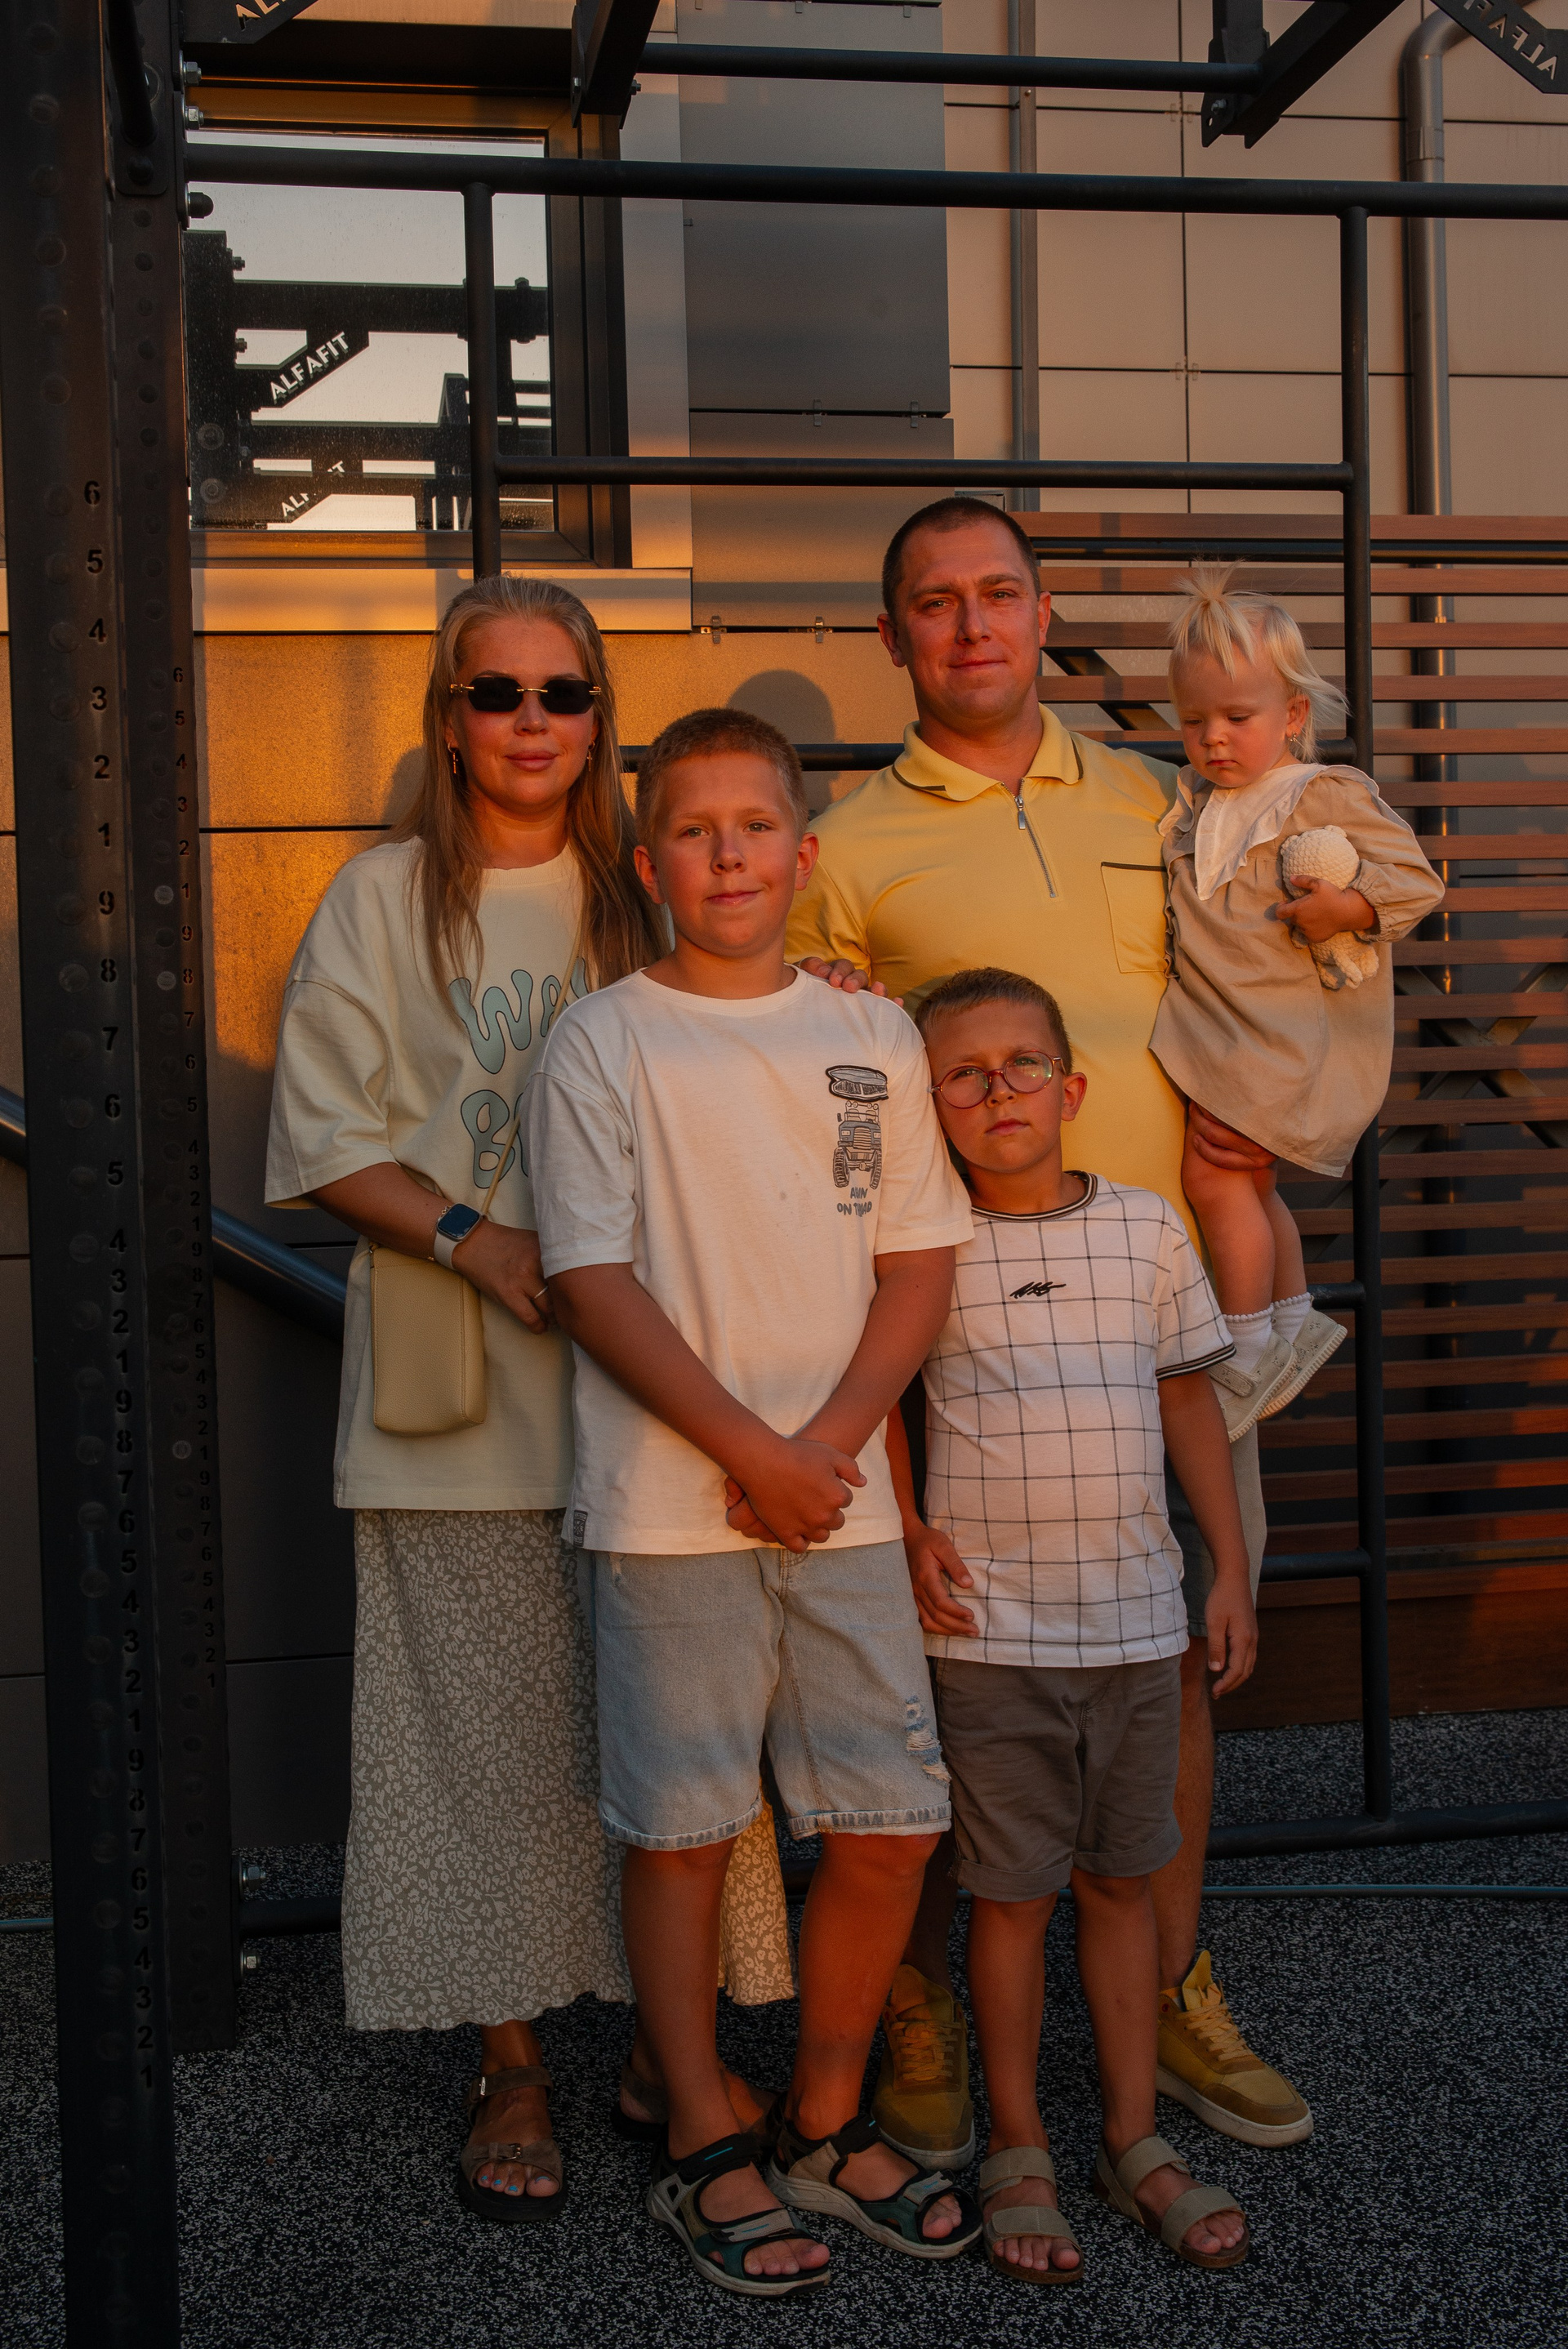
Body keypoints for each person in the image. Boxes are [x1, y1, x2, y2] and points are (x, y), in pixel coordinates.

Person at [786, 495, 1312, 2164]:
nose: (972, 625)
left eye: (999, 593)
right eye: (935, 601)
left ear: (1042, 608)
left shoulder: (1163, 799)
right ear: (893, 635)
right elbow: (813, 1105)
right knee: (948, 1681)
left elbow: (1274, 975)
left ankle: (1172, 1986)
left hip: (1162, 1316)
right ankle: (927, 2002)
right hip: (957, 1342)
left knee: (1177, 1668)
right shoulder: (845, 848)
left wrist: (1276, 1107)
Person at [265, 577, 791, 2226]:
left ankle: (662, 2045)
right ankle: (511, 2060)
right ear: (449, 718)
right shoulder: (379, 899)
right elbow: (319, 1132)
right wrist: (471, 1236)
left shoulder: (646, 888)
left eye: (563, 692)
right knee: (481, 1746)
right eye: (496, 694)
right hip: (461, 1394)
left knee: (672, 1733)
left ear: (598, 714)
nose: (532, 722)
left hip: (658, 1396)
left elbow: (757, 1044)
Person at [528, 707, 982, 2296]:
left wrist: (830, 1445)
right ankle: (702, 2135)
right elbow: (590, 1278)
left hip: (841, 1498)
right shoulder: (604, 1041)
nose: (728, 853)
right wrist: (749, 1447)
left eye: (756, 824)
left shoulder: (872, 1037)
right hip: (672, 1509)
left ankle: (826, 2117)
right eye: (693, 828)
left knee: (892, 1819)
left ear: (803, 850)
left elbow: (916, 1260)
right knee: (682, 1831)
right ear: (649, 860)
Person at [890, 966, 1255, 2280]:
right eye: (964, 1074)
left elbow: (1187, 1402)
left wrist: (1227, 1569)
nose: (999, 1092)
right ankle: (1020, 2145)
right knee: (1009, 1897)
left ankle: (1132, 2136)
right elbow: (880, 1397)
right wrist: (909, 1529)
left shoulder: (1147, 1229)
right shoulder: (922, 1245)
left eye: (1023, 1066)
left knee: (1119, 1883)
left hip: (1138, 1634)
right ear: (931, 1103)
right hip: (991, 1642)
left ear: (1072, 1087)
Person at [1155, 566, 1445, 1435]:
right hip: (1229, 1031)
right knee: (1250, 1183)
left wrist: (1346, 908)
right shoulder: (1197, 804)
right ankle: (1291, 1320)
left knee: (1214, 1178)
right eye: (1194, 721)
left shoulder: (1318, 793)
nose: (1213, 738)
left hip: (1276, 1038)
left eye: (1236, 718)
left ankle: (1244, 1350)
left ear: (1290, 714)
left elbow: (1416, 882)